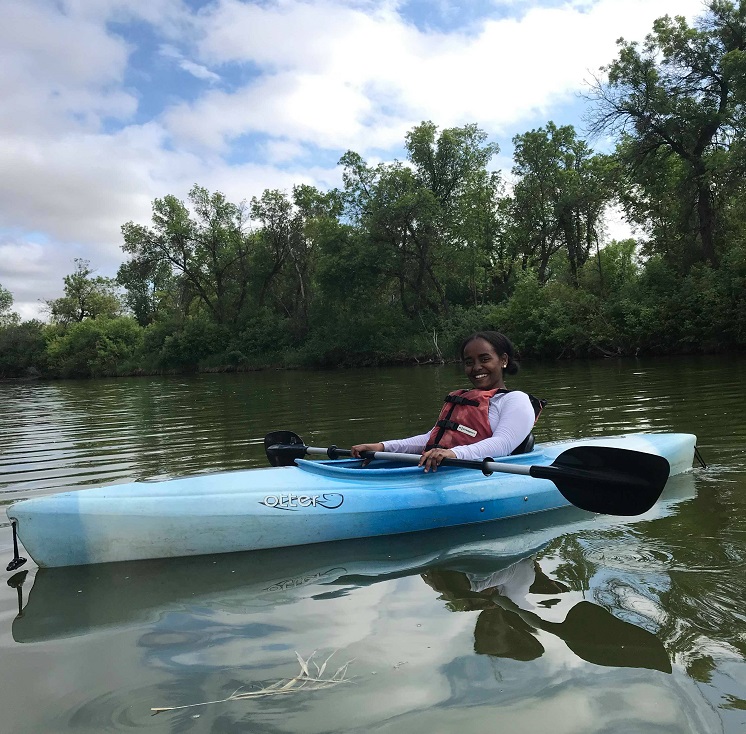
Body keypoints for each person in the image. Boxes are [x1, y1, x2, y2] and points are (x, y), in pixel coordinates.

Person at [351, 331, 538, 473]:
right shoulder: (463, 399)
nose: (477, 367)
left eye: (485, 359)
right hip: (445, 467)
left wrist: (454, 453)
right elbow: (431, 438)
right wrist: (383, 446)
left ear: (503, 360)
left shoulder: (515, 400)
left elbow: (503, 444)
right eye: (469, 362)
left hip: (474, 472)